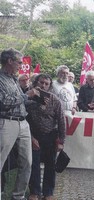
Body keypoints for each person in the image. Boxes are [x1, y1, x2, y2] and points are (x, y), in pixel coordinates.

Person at [0, 48, 39, 200]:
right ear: (9, 61)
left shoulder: (15, 79)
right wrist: (26, 95)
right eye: (19, 62)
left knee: (27, 162)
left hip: (23, 124)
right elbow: (3, 102)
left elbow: (21, 102)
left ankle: (18, 195)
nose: (21, 66)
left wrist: (37, 102)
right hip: (6, 122)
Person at [26, 73, 65, 200]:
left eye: (46, 83)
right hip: (33, 136)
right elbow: (24, 119)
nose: (43, 85)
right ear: (36, 83)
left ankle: (48, 192)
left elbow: (61, 121)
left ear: (49, 86)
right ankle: (34, 192)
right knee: (34, 165)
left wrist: (61, 141)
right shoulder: (28, 98)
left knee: (50, 165)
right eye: (41, 82)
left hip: (50, 136)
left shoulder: (55, 100)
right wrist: (31, 137)